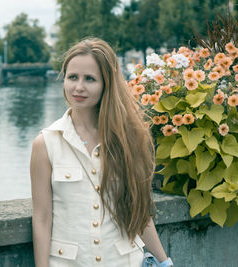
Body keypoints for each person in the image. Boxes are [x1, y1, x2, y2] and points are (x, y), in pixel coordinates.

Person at [30, 38, 173, 267]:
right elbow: (42, 218)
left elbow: (140, 214)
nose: (79, 87)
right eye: (72, 77)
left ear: (107, 83)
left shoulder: (129, 139)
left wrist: (165, 262)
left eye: (90, 79)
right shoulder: (45, 144)